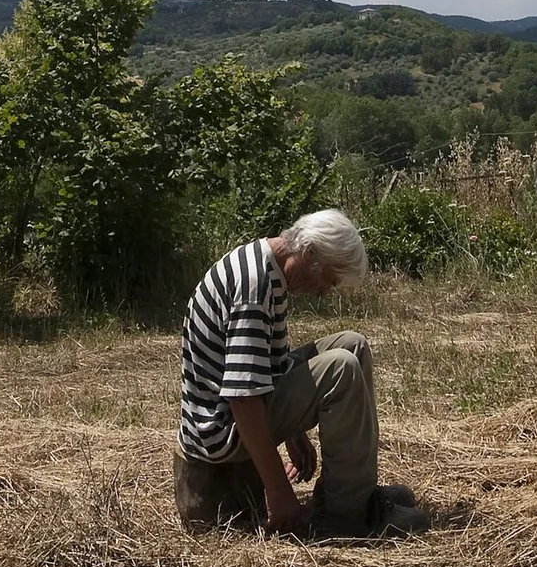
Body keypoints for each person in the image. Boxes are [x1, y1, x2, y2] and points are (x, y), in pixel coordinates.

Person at [173, 208, 430, 537]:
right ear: (310, 253)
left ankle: (355, 494)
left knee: (353, 345)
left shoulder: (267, 268)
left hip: (232, 418)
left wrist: (295, 432)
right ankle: (346, 518)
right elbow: (242, 399)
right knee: (340, 368)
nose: (324, 292)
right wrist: (279, 491)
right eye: (329, 279)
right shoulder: (255, 288)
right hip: (221, 434)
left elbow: (267, 364)